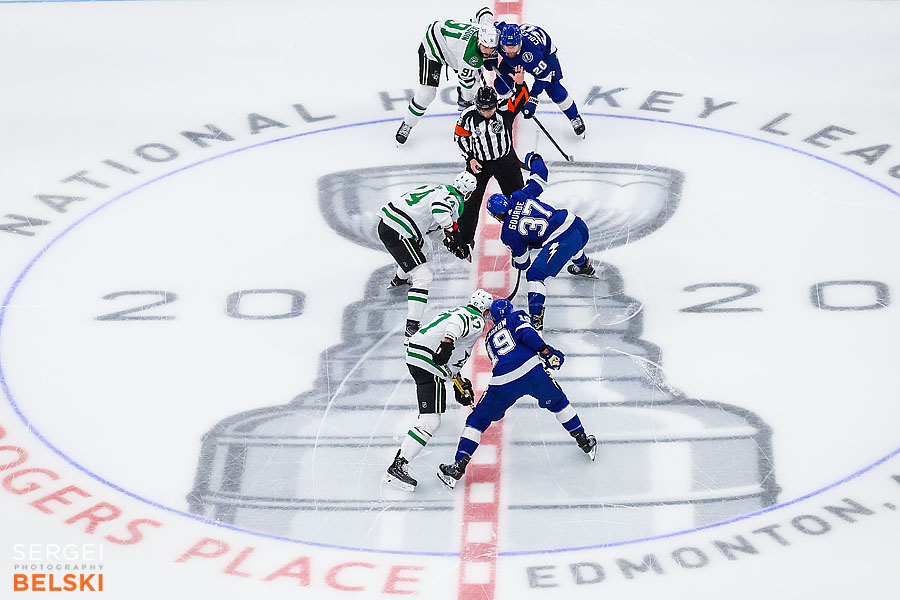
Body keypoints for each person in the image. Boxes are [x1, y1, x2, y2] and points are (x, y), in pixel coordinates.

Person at [437, 298, 597, 488]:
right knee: (559, 403)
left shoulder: (489, 338)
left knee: (477, 420)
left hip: (502, 381)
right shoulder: (516, 316)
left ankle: (458, 466)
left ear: (493, 318)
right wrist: (547, 352)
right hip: (532, 372)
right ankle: (583, 441)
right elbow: (527, 334)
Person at [384, 289, 494, 491]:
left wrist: (459, 382)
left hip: (418, 358)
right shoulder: (475, 319)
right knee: (430, 421)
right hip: (429, 364)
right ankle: (398, 466)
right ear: (485, 311)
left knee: (429, 417)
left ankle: (399, 464)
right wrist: (447, 342)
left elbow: (451, 357)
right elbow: (457, 326)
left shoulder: (457, 310)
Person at [485, 152, 595, 331]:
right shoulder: (520, 195)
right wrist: (534, 159)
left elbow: (523, 263)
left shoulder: (508, 234)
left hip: (562, 240)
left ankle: (536, 318)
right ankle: (584, 266)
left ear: (497, 215)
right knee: (571, 245)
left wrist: (517, 255)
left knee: (535, 275)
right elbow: (540, 176)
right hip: (578, 225)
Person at [378, 171, 478, 338]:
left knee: (423, 247)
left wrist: (449, 242)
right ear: (468, 193)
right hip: (399, 230)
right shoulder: (453, 199)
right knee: (423, 276)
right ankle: (412, 325)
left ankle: (400, 278)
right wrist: (453, 233)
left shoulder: (438, 189)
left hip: (392, 224)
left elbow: (432, 228)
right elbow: (439, 210)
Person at [395, 7, 499, 145]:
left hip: (453, 47)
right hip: (434, 46)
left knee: (470, 91)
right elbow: (466, 81)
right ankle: (408, 124)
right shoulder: (470, 56)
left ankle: (465, 104)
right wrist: (486, 95)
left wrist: (478, 23)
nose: (488, 52)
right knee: (427, 93)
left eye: (491, 48)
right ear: (479, 41)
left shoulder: (487, 30)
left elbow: (484, 12)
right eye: (485, 47)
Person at [453, 67, 531, 250]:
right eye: (483, 109)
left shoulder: (504, 108)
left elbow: (522, 98)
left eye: (490, 109)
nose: (487, 113)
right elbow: (459, 137)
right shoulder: (468, 116)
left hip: (505, 161)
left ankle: (524, 234)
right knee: (470, 202)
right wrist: (470, 158)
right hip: (478, 163)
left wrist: (520, 84)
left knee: (518, 200)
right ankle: (464, 239)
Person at [484, 22, 585, 137]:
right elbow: (487, 28)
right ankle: (512, 104)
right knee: (501, 84)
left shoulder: (532, 54)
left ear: (520, 43)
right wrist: (490, 56)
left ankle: (574, 116)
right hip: (524, 44)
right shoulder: (498, 34)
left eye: (514, 47)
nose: (510, 52)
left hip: (545, 52)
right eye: (506, 47)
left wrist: (532, 97)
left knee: (554, 88)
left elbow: (545, 76)